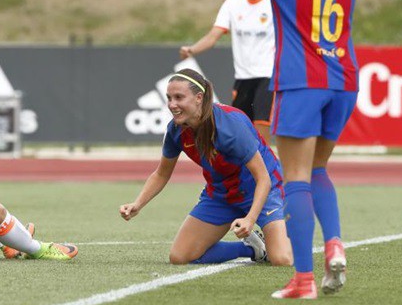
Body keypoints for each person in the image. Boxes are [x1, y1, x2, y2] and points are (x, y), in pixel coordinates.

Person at [163, 0, 402, 299]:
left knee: (296, 177)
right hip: (345, 80)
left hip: (301, 82)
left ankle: (304, 280)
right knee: (319, 170)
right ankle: (333, 243)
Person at [119, 68, 293, 268]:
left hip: (261, 190)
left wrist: (250, 219)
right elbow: (161, 173)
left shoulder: (230, 126)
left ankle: (287, 227)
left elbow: (263, 178)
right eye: (169, 98)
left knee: (281, 259)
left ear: (198, 98)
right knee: (180, 257)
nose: (171, 105)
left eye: (178, 97)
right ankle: (253, 248)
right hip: (221, 194)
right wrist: (137, 204)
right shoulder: (175, 130)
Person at [180, 0, 275, 145]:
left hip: (268, 74)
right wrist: (192, 49)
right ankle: (242, 165)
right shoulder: (233, 3)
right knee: (239, 125)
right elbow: (213, 36)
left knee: (261, 122)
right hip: (243, 77)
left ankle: (264, 164)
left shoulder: (274, 3)